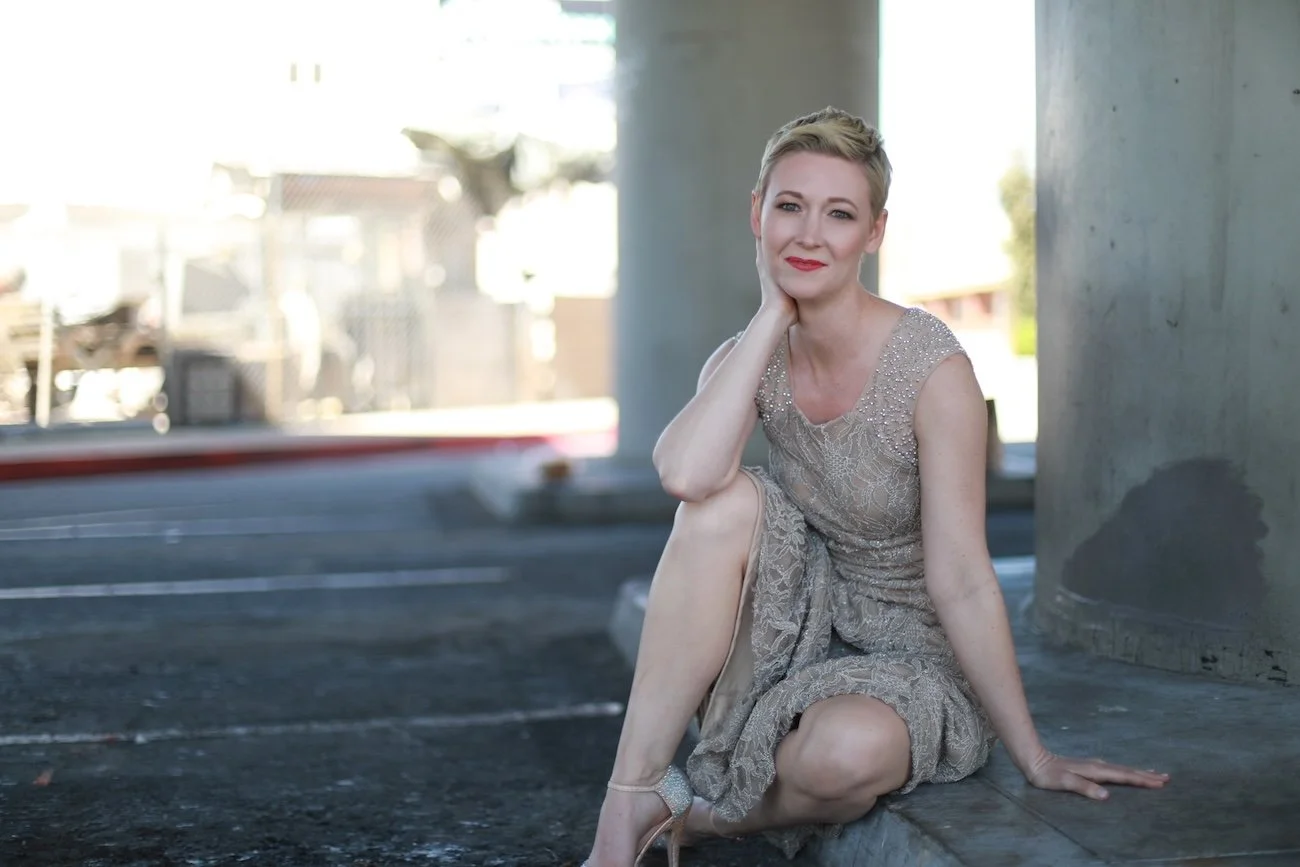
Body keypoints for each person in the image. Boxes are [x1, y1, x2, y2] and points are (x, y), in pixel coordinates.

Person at [583, 106, 1169, 867]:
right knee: (722, 503)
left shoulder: (932, 370)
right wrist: (772, 314)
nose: (809, 234)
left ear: (874, 232)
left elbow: (963, 577)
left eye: (839, 214)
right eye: (790, 206)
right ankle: (630, 798)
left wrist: (1034, 754)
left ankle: (699, 819)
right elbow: (687, 477)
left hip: (911, 650)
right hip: (797, 622)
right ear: (757, 214)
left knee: (840, 758)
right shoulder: (748, 356)